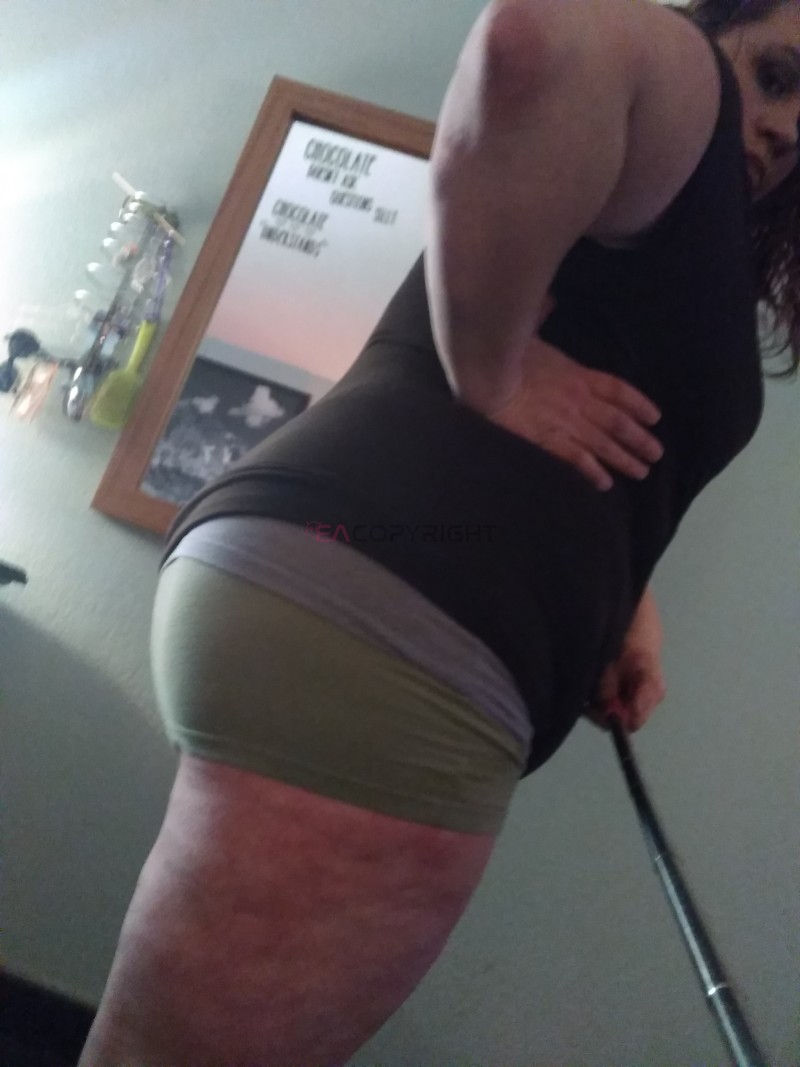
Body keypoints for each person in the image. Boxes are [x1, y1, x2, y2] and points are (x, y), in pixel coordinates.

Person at [79, 1, 799, 1063]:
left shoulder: (673, 220)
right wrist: (491, 370)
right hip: (392, 627)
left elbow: (599, 447)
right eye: (779, 74)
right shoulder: (685, 83)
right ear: (722, 21)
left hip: (359, 590)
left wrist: (620, 599)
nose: (785, 127)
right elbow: (528, 39)